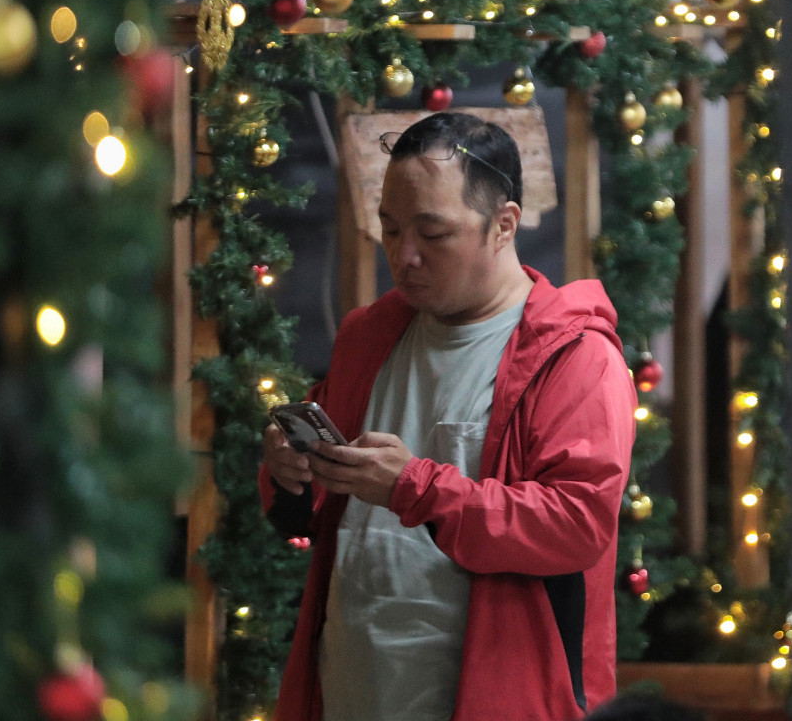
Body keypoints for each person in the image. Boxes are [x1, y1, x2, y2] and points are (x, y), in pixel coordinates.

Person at [259, 112, 637, 721]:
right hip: (351, 693)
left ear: (504, 225)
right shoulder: (368, 335)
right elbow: (307, 516)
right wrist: (290, 471)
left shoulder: (575, 356)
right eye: (389, 228)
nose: (403, 256)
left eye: (432, 234)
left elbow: (575, 525)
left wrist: (414, 487)